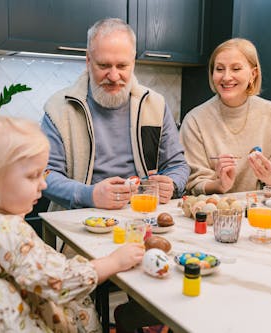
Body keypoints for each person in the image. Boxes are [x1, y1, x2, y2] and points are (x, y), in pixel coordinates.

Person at [0, 103, 145, 332]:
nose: (43, 184)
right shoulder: (8, 231)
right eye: (32, 176)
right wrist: (113, 262)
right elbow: (61, 282)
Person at [41, 18, 189, 211]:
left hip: (143, 215)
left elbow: (178, 165)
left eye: (122, 66)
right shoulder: (58, 108)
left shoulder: (155, 104)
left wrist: (172, 183)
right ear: (88, 60)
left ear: (133, 62)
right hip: (81, 218)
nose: (113, 76)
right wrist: (90, 195)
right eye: (103, 66)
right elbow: (45, 174)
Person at [180, 38, 271, 194]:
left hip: (260, 210)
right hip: (214, 211)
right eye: (219, 69)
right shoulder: (195, 120)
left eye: (236, 69)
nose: (226, 77)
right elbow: (193, 183)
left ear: (253, 74)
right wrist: (219, 185)